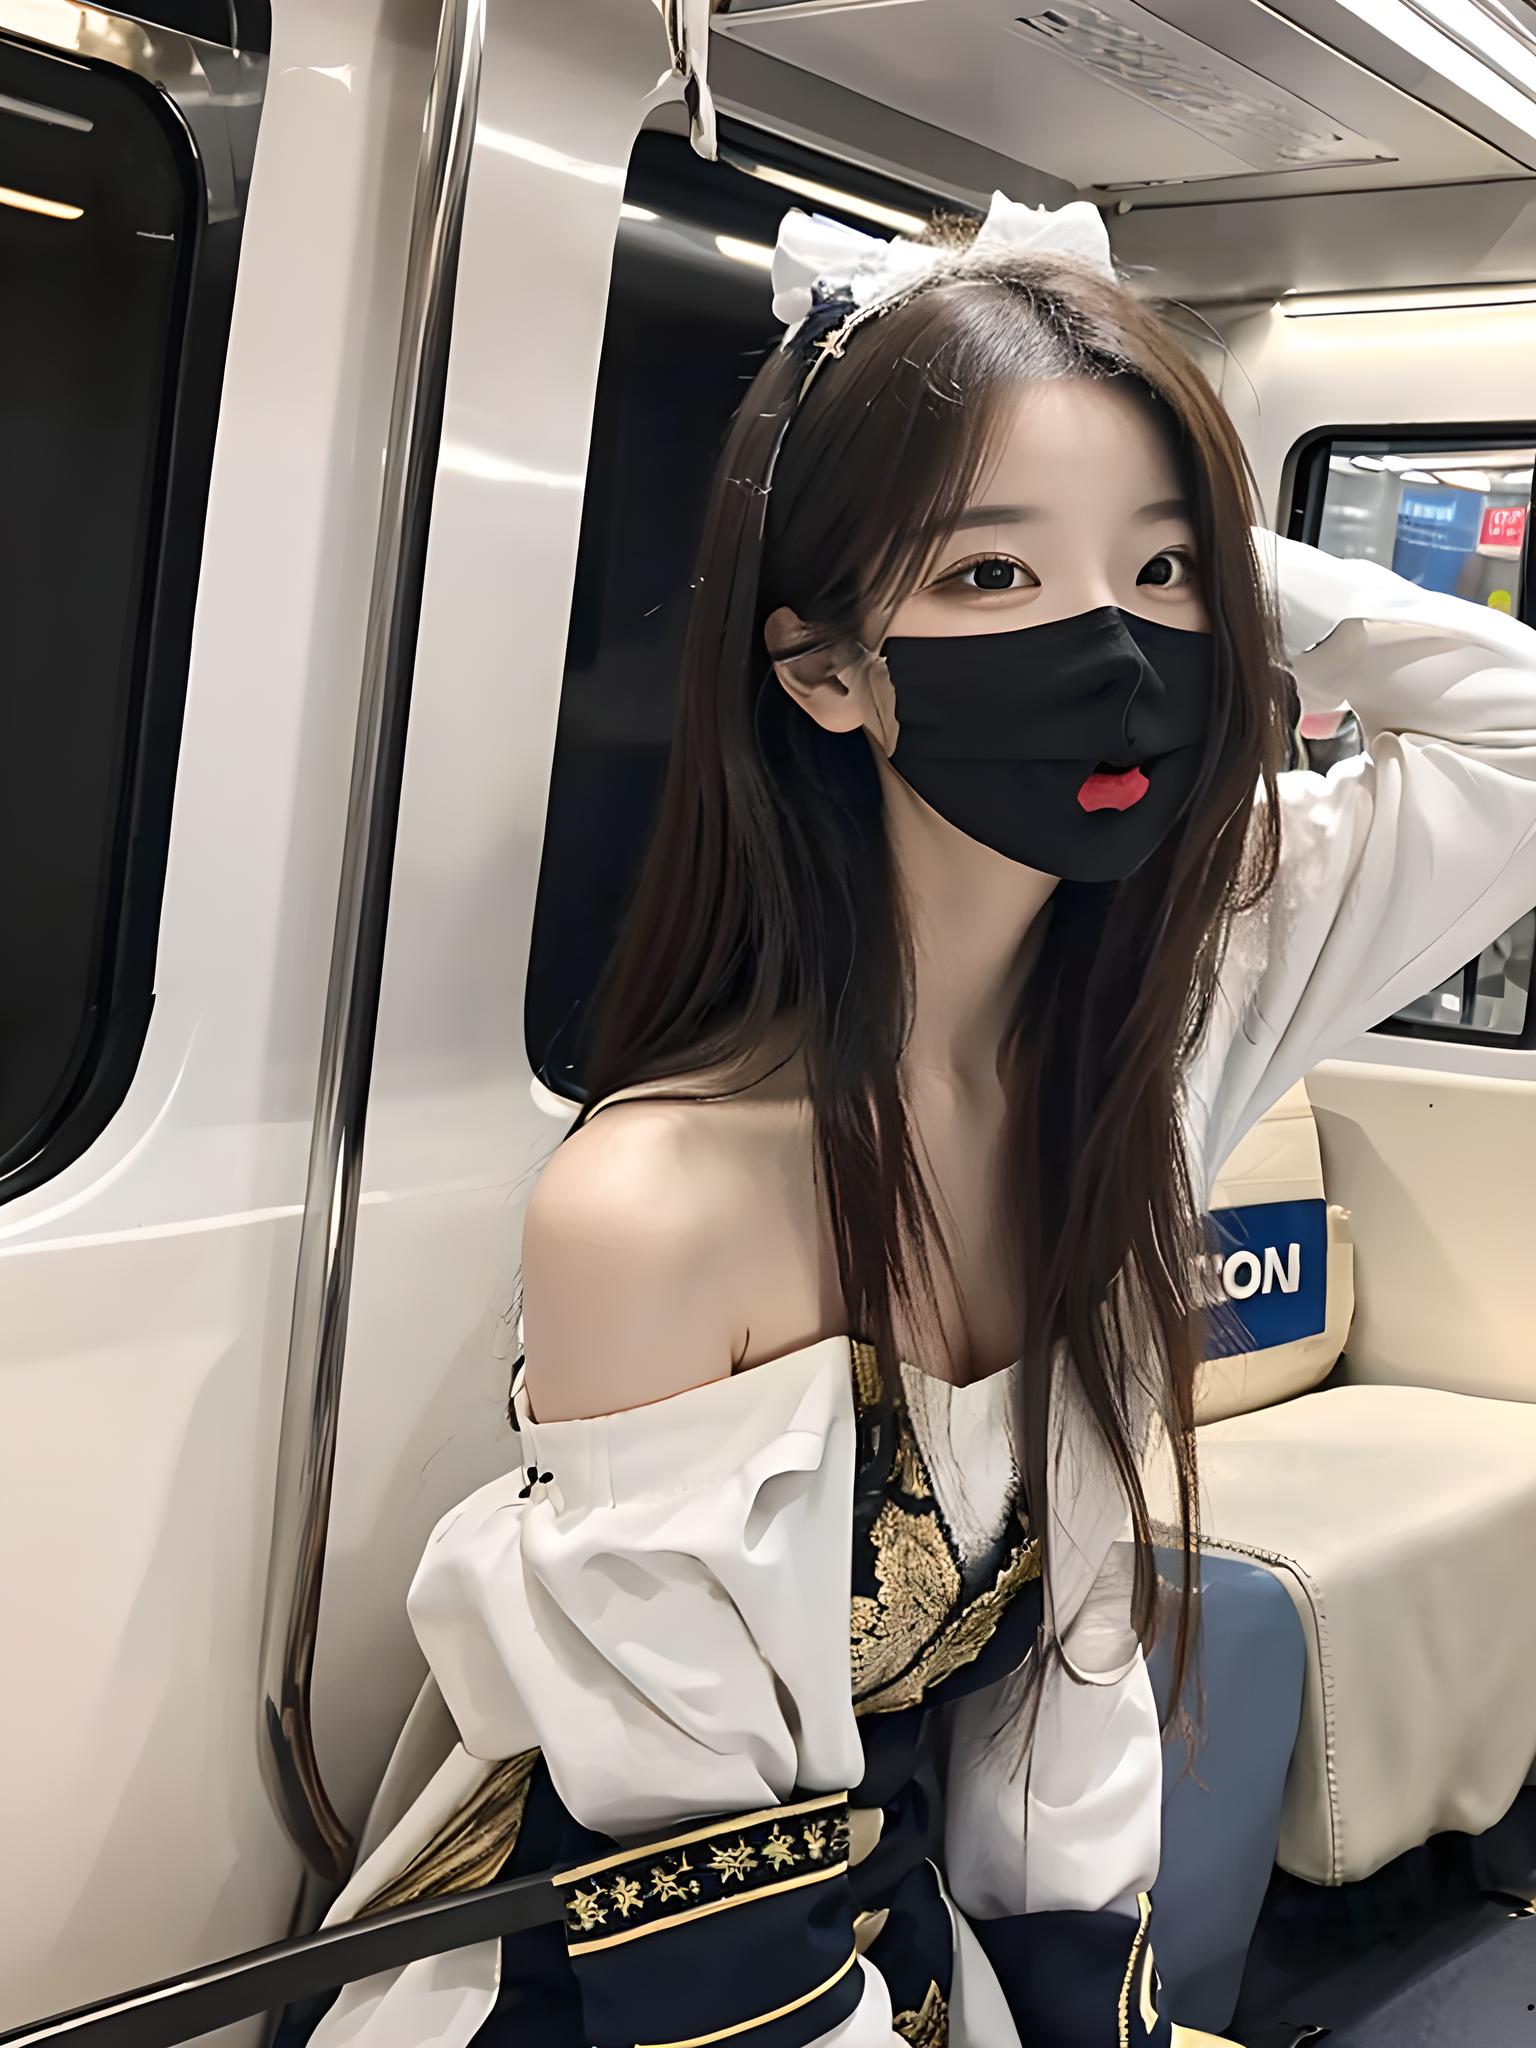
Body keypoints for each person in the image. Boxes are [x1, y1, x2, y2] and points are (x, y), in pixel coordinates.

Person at [308, 196, 1536, 2048]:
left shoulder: (1179, 1002)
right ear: (826, 672)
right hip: (661, 1979)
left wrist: (1207, 540)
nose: (1111, 650)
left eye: (1162, 576)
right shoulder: (659, 1208)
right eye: (989, 578)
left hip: (922, 1927)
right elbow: (704, 1903)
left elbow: (1519, 740)